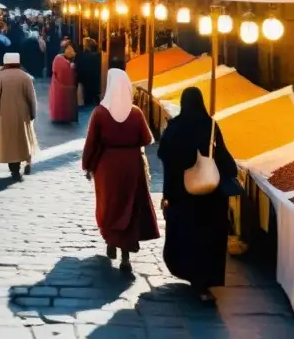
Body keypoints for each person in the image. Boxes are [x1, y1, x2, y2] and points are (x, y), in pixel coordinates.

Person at [158, 86, 238, 301]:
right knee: (207, 239)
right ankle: (203, 284)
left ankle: (192, 276)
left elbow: (163, 154)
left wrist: (167, 194)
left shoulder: (176, 127)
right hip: (210, 197)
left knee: (187, 236)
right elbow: (223, 157)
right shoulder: (210, 125)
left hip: (183, 196)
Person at [82, 69, 159, 274]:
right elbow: (147, 139)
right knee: (129, 207)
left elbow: (91, 143)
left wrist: (87, 165)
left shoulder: (99, 112)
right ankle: (125, 256)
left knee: (109, 205)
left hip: (106, 167)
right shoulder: (136, 113)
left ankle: (110, 240)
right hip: (132, 166)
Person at [0, 52, 39, 180]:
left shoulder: (0, 76)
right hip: (23, 113)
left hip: (6, 112)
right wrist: (33, 113)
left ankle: (14, 169)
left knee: (9, 141)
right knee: (22, 139)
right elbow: (31, 98)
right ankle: (26, 160)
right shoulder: (25, 77)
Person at [50, 43, 79, 124]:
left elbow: (54, 70)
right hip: (67, 87)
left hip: (57, 85)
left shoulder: (57, 58)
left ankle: (58, 116)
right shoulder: (65, 62)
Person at [77, 38, 102, 107]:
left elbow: (79, 69)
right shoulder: (98, 56)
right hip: (95, 82)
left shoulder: (81, 55)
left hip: (85, 81)